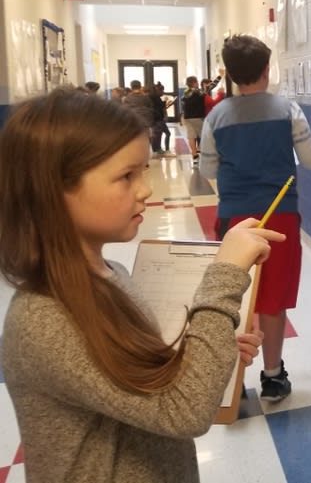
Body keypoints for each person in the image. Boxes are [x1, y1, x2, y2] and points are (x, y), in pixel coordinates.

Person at [0, 88, 282, 483]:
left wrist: (213, 350)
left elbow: (146, 380)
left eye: (143, 171)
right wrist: (226, 272)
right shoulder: (44, 318)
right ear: (53, 190)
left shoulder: (111, 273)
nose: (145, 189)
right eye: (126, 176)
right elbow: (183, 411)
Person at [200, 35, 311, 402]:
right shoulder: (287, 109)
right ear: (267, 70)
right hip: (280, 216)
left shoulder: (216, 116)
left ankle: (232, 381)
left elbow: (207, 168)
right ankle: (272, 376)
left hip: (234, 218)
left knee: (234, 293)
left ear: (230, 75)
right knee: (273, 296)